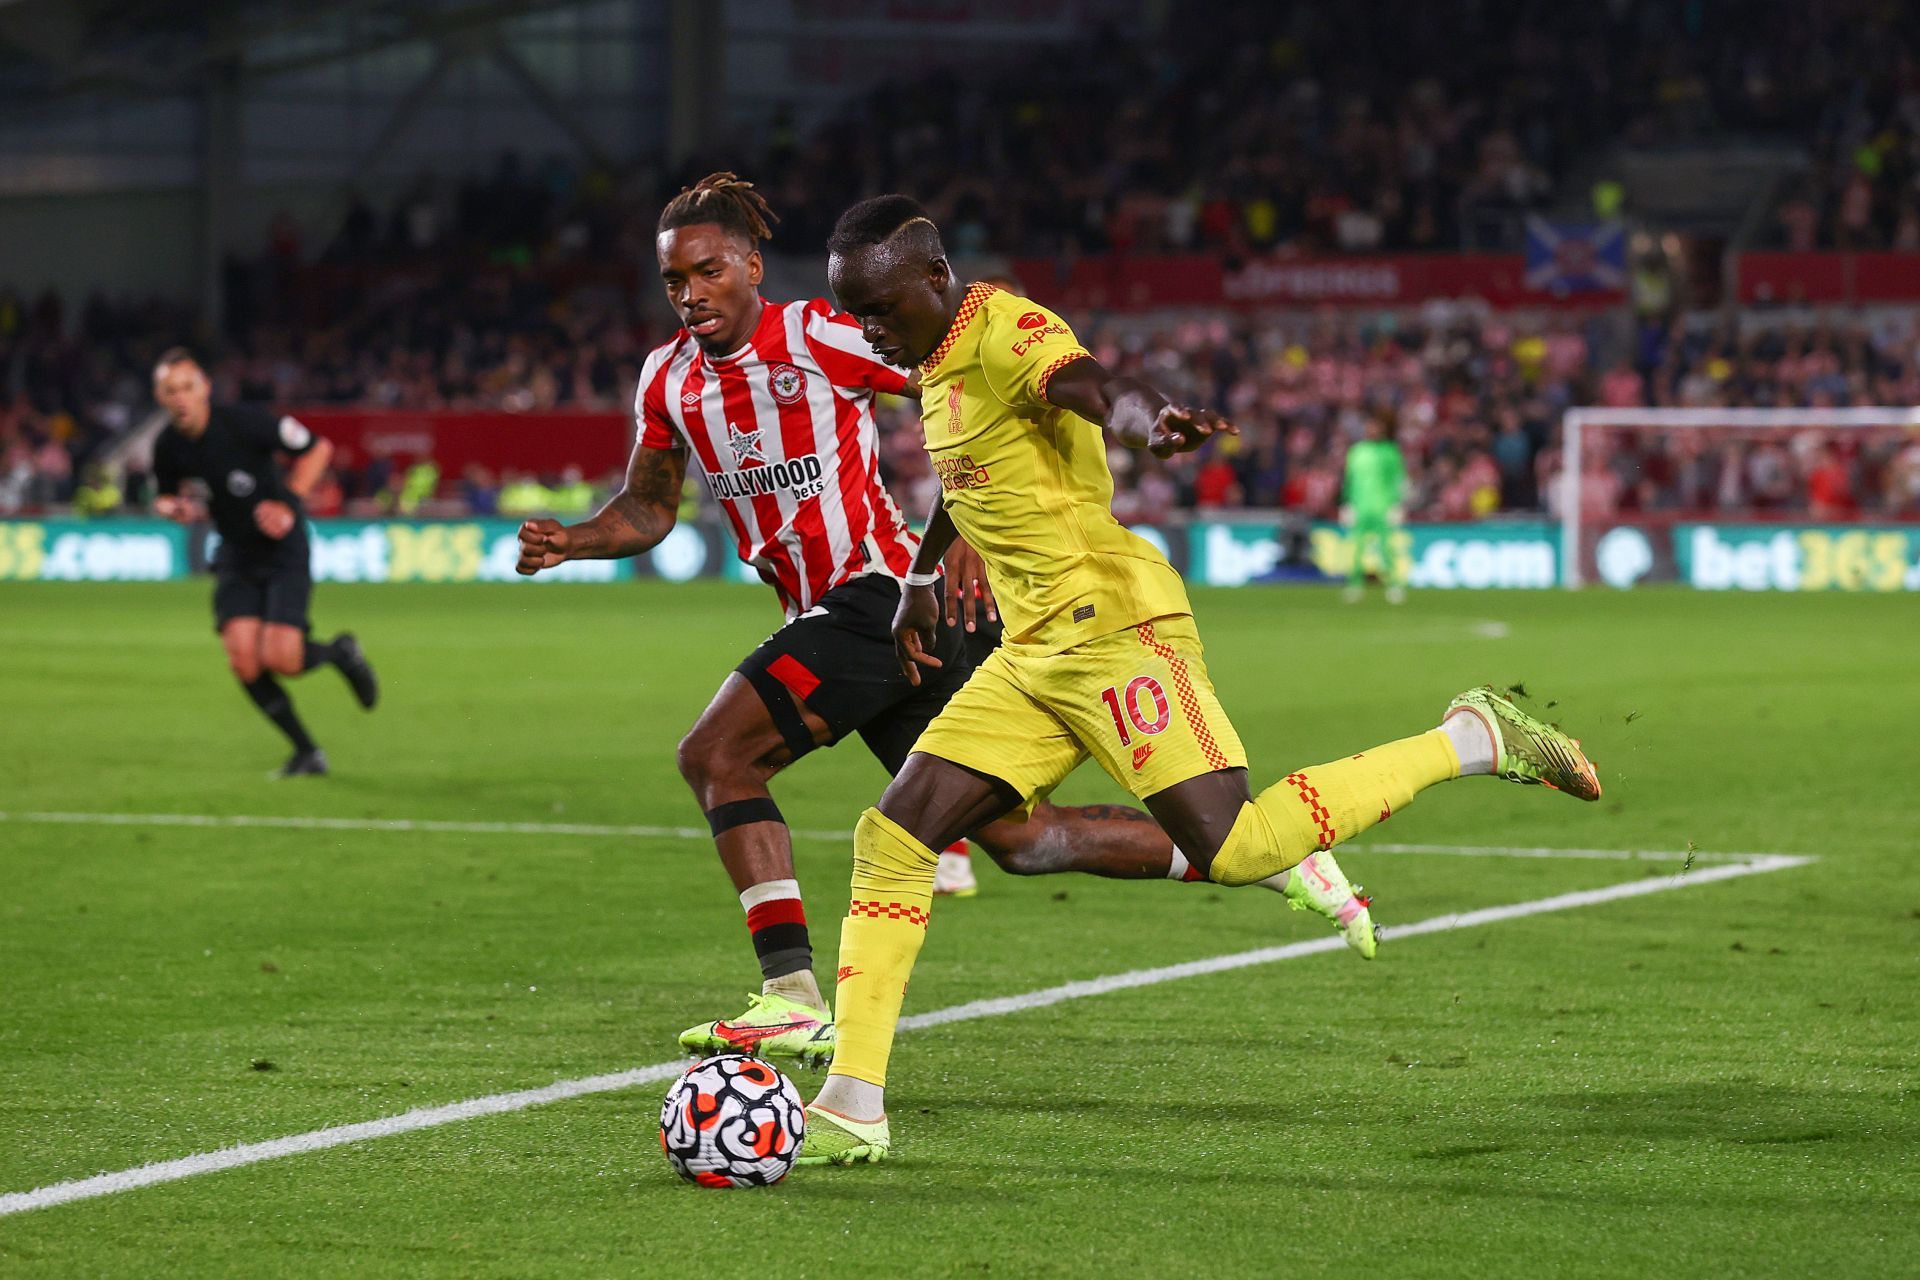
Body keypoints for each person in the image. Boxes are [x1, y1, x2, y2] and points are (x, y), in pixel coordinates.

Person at [798, 195, 1602, 1166]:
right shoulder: (931, 364)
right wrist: (924, 576)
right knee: (894, 831)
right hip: (1030, 652)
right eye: (854, 313)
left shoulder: (1006, 329)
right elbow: (968, 481)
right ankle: (852, 1097)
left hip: (1116, 630)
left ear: (934, 280)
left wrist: (1150, 418)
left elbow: (1091, 384)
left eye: (879, 308)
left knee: (1236, 846)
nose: (868, 329)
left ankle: (1472, 739)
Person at [515, 174, 1379, 1070]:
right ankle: (1268, 857)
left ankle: (789, 996)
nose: (691, 295)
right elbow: (650, 507)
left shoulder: (820, 333)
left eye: (708, 272)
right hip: (888, 625)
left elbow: (967, 380)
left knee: (718, 754)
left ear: (751, 267)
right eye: (673, 283)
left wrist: (963, 532)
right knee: (1021, 840)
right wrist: (572, 539)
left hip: (875, 593)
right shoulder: (668, 382)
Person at [149, 349, 379, 777]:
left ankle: (340, 654)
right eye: (170, 390)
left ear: (205, 390)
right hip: (236, 553)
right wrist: (170, 508)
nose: (180, 397)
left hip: (282, 548)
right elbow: (165, 493)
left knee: (283, 659)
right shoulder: (168, 444)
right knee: (243, 660)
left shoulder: (244, 422)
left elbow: (317, 448)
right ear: (159, 397)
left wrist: (286, 503)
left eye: (187, 387)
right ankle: (307, 752)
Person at [1342, 415, 1410, 603]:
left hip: (1382, 506)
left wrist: (1397, 505)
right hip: (1360, 505)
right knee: (1357, 547)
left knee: (1386, 547)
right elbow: (1350, 480)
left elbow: (1397, 480)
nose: (1371, 430)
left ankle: (1393, 584)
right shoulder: (1356, 452)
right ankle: (1355, 584)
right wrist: (1347, 503)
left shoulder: (1390, 452)